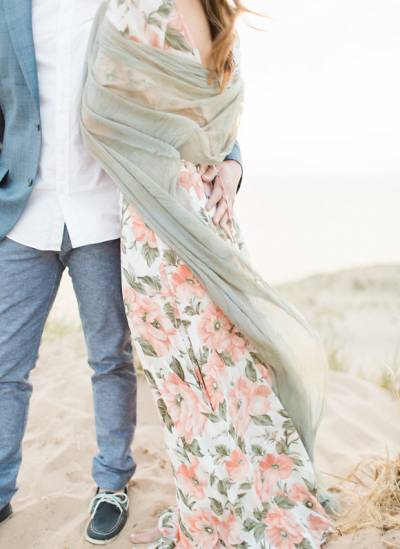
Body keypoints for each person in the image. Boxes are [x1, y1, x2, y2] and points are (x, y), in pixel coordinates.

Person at [80, 0, 333, 547]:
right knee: (207, 374)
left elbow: (115, 118)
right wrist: (192, 163)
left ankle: (233, 514)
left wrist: (217, 162)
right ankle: (230, 509)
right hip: (184, 216)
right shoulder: (177, 14)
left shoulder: (177, 13)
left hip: (185, 217)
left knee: (210, 374)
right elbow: (118, 117)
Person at [0, 0, 242, 544]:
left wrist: (231, 155)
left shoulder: (121, 6)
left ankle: (112, 482)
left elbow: (184, 82)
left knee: (111, 357)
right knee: (5, 364)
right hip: (23, 212)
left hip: (104, 209)